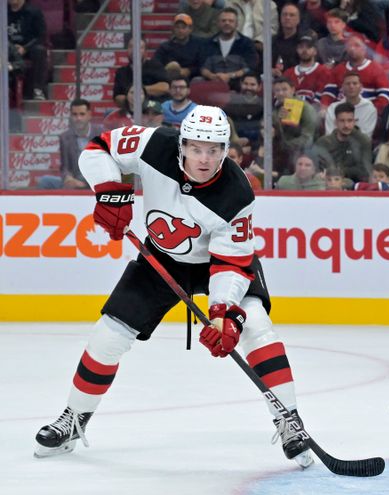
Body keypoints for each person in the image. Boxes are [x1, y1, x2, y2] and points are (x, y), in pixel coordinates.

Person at [33, 105, 314, 470]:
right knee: (108, 335)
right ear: (181, 144)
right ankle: (74, 419)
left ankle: (289, 421)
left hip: (218, 263)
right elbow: (98, 147)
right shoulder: (153, 144)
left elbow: (230, 262)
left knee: (257, 326)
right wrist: (108, 191)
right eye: (196, 148)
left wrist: (224, 314)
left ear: (226, 150)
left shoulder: (237, 193)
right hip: (160, 260)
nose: (204, 158)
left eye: (213, 150)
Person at [37, 99, 103, 190]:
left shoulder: (101, 134)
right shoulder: (65, 137)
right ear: (71, 116)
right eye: (75, 114)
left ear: (89, 115)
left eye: (82, 114)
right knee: (44, 181)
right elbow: (65, 167)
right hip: (75, 180)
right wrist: (68, 178)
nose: (78, 118)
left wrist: (85, 183)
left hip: (96, 181)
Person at [321, 35, 389, 117]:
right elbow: (329, 93)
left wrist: (371, 110)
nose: (352, 48)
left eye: (357, 45)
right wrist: (325, 107)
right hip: (341, 113)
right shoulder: (338, 69)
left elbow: (385, 97)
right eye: (350, 45)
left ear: (365, 48)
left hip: (367, 114)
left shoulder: (376, 69)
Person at [199, 8, 259, 89]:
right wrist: (212, 76)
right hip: (212, 82)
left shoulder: (246, 43)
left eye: (231, 21)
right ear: (218, 23)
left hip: (239, 83)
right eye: (223, 21)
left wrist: (230, 75)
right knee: (196, 81)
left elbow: (250, 67)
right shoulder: (208, 43)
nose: (227, 23)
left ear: (237, 24)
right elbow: (202, 67)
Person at [315, 102, 373, 185]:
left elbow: (365, 171)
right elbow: (316, 167)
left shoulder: (363, 141)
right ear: (335, 122)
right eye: (342, 121)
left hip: (353, 186)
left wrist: (341, 171)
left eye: (350, 121)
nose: (346, 125)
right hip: (326, 184)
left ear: (354, 121)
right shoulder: (323, 142)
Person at [113, 37, 170, 108]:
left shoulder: (155, 66)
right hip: (130, 109)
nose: (135, 50)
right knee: (108, 113)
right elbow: (118, 97)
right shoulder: (121, 72)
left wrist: (138, 92)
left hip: (153, 107)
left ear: (146, 52)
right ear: (127, 50)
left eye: (140, 47)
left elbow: (164, 87)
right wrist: (132, 102)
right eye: (131, 47)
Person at [7, 0, 48, 99]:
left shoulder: (34, 12)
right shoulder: (2, 12)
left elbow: (41, 36)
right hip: (7, 48)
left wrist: (25, 48)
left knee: (40, 50)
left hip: (28, 48)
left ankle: (38, 89)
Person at [284, 31, 331, 107]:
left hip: (313, 111)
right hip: (290, 110)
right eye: (301, 47)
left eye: (308, 47)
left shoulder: (324, 72)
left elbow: (322, 97)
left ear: (315, 51)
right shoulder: (288, 73)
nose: (304, 50)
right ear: (297, 50)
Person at [324, 72, 377, 137]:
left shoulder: (369, 109)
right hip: (335, 145)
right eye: (348, 84)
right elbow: (329, 134)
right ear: (342, 87)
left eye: (355, 83)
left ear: (361, 87)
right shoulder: (333, 108)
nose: (351, 86)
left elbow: (366, 136)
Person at [154, 13, 206, 79]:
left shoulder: (199, 45)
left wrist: (189, 71)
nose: (180, 30)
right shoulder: (164, 47)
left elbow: (203, 66)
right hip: (169, 79)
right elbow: (156, 65)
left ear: (190, 29)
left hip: (192, 78)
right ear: (173, 29)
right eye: (177, 27)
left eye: (183, 27)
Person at [226, 73, 263, 146]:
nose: (248, 87)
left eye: (252, 85)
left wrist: (251, 144)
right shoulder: (232, 102)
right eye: (245, 84)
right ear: (241, 84)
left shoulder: (264, 104)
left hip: (257, 144)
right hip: (233, 143)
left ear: (259, 86)